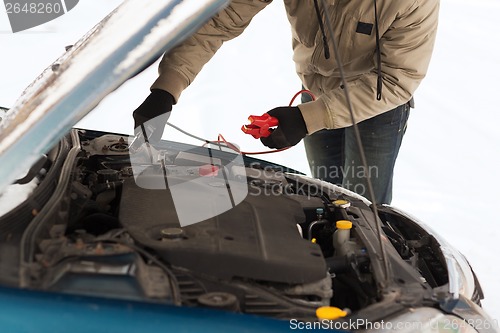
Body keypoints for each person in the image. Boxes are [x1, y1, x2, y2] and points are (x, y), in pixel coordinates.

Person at [132, 0, 439, 204]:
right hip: (314, 94)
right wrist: (166, 89)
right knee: (326, 196)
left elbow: (397, 78)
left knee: (359, 208)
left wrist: (307, 119)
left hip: (377, 108)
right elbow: (218, 22)